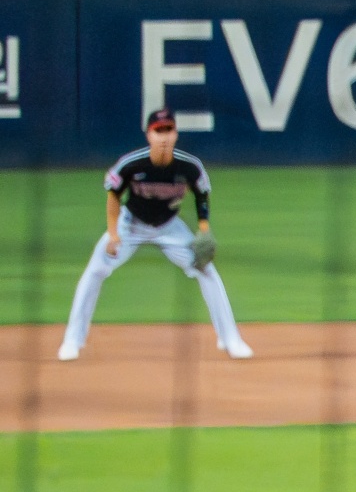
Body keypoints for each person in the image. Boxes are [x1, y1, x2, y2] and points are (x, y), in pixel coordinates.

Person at [63, 108, 250, 361]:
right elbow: (113, 195)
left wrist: (204, 229)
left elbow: (202, 195)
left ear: (176, 134)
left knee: (207, 271)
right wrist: (113, 234)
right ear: (149, 135)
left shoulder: (189, 166)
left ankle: (231, 340)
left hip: (170, 227)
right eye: (158, 131)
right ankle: (72, 341)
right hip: (131, 225)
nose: (164, 136)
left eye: (168, 130)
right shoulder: (132, 164)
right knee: (95, 271)